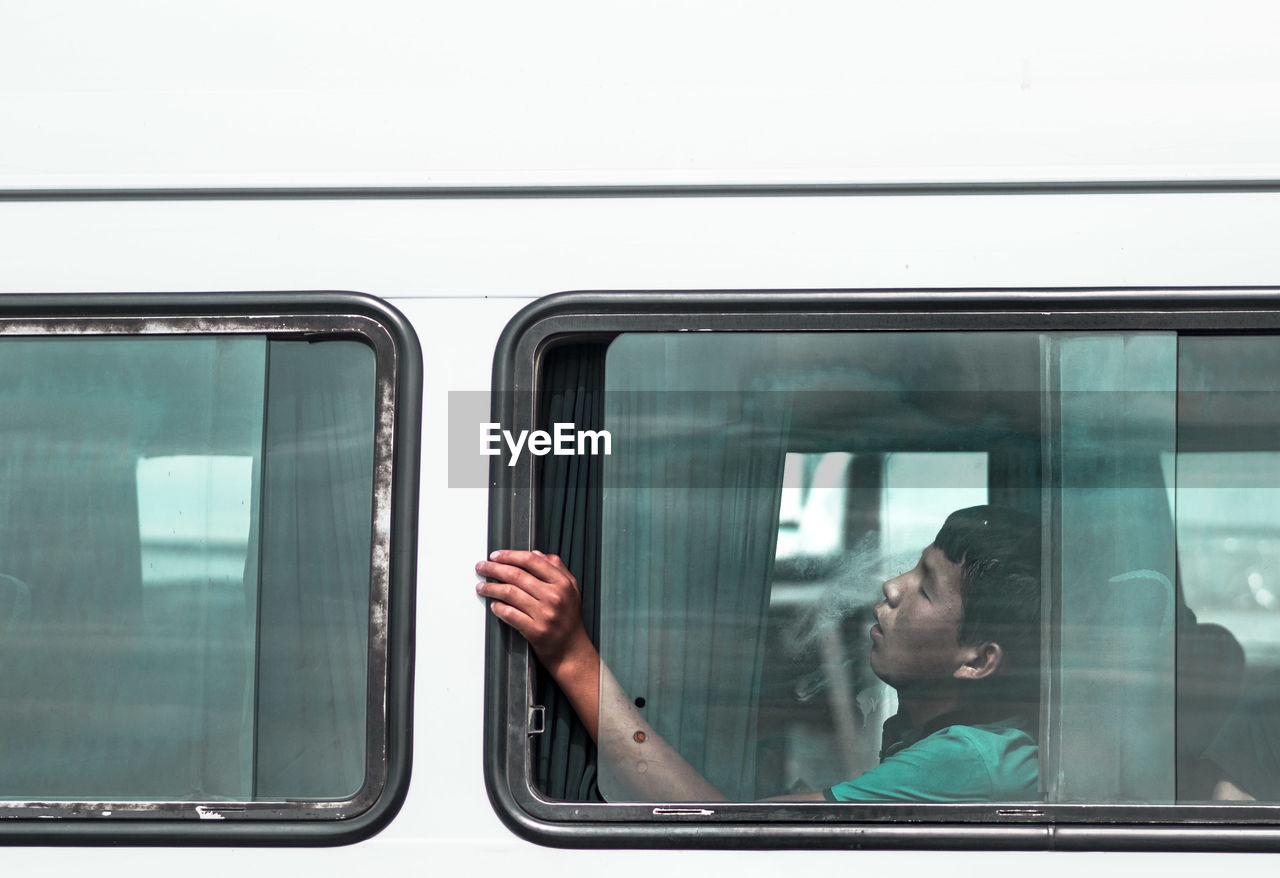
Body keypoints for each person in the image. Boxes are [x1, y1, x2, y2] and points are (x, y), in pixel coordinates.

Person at [475, 504, 1042, 803]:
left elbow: (720, 834)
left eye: (925, 588)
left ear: (977, 661)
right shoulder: (963, 745)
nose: (892, 587)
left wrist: (572, 656)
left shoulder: (968, 760)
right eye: (912, 567)